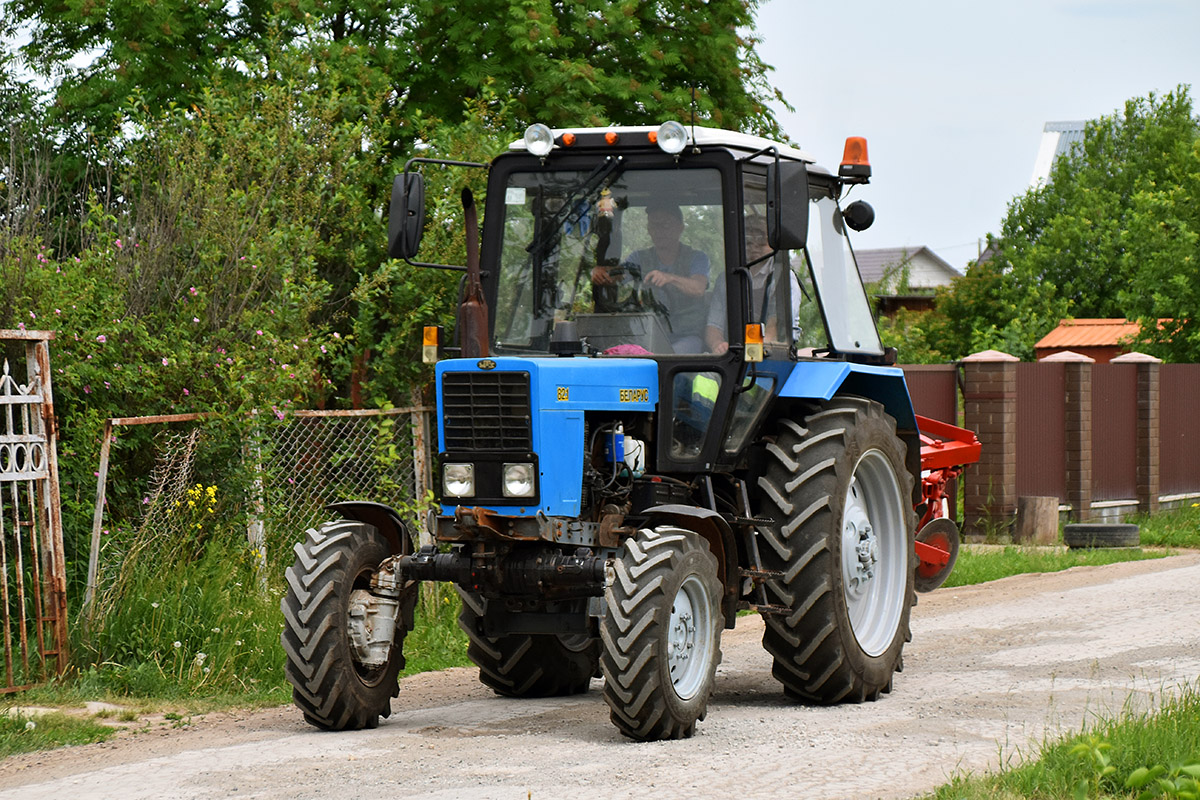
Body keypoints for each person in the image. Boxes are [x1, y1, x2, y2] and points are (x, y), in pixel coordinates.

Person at [592, 201, 709, 354]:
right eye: (654, 225)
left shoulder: (696, 258)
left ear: (680, 228)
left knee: (671, 359)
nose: (659, 231)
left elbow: (698, 288)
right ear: (648, 229)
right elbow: (619, 276)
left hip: (686, 336)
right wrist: (601, 272)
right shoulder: (639, 258)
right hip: (647, 335)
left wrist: (670, 278)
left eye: (665, 225)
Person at [704, 221, 800, 354]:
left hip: (771, 354)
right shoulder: (725, 279)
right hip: (732, 356)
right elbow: (714, 324)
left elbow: (775, 328)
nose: (753, 245)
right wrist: (718, 345)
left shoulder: (783, 279)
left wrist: (753, 351)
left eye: (760, 238)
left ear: (773, 243)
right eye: (747, 238)